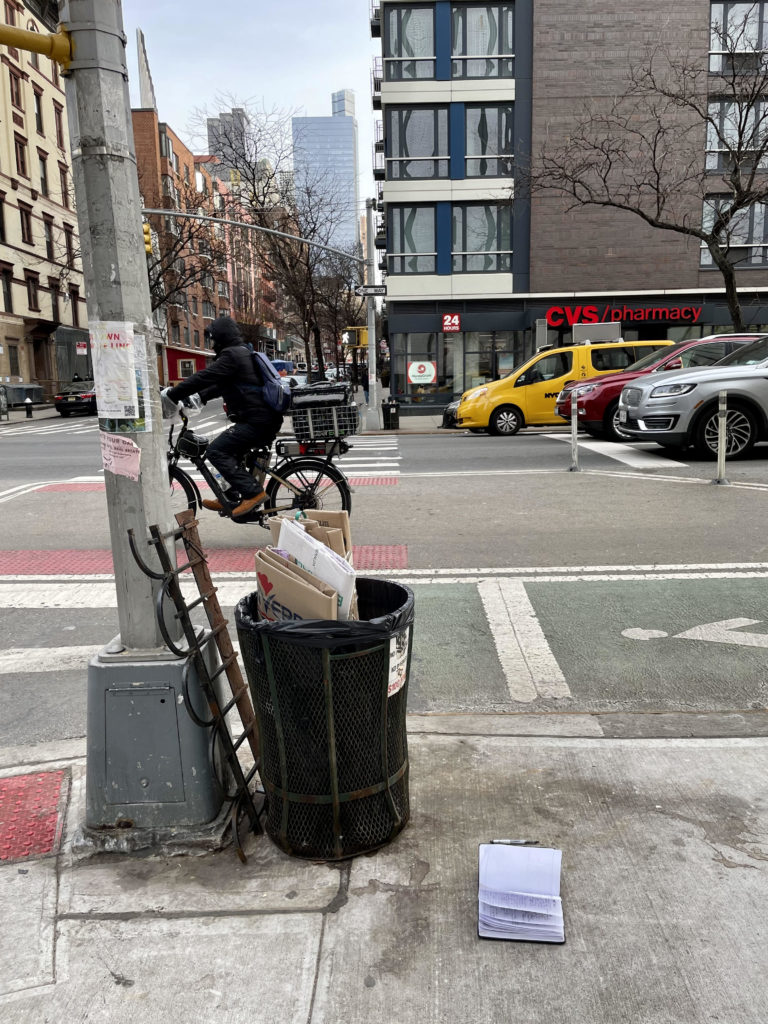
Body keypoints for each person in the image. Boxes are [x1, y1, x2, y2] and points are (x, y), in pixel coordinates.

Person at [163, 316, 283, 518]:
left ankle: (253, 493)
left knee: (216, 451)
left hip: (258, 422)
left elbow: (204, 377)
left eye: (213, 339)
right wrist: (200, 397)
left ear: (221, 337)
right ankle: (231, 494)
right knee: (231, 451)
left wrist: (173, 395)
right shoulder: (241, 352)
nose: (211, 344)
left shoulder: (231, 356)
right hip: (261, 420)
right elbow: (222, 385)